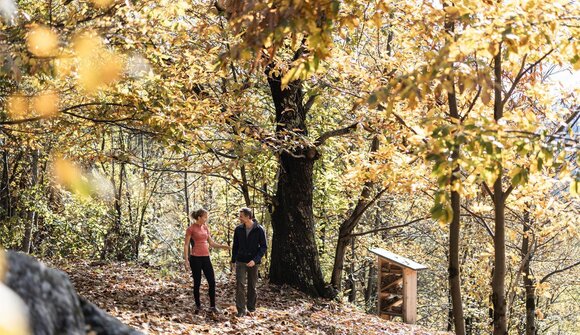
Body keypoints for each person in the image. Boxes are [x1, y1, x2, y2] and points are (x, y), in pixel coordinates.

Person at [183, 208, 229, 314]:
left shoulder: (205, 228)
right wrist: (186, 260)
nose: (206, 219)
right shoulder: (191, 229)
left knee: (212, 282)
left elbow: (211, 243)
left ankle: (212, 306)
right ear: (199, 217)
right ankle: (198, 305)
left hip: (206, 257)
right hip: (195, 258)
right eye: (205, 217)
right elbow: (186, 245)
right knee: (197, 282)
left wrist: (223, 247)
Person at [231, 207, 267, 317]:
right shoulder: (238, 229)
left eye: (241, 216)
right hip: (241, 261)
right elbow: (235, 246)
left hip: (253, 262)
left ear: (248, 217)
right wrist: (233, 260)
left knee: (252, 286)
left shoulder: (259, 229)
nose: (239, 218)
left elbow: (263, 247)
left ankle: (251, 308)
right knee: (240, 285)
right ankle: (241, 310)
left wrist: (255, 260)